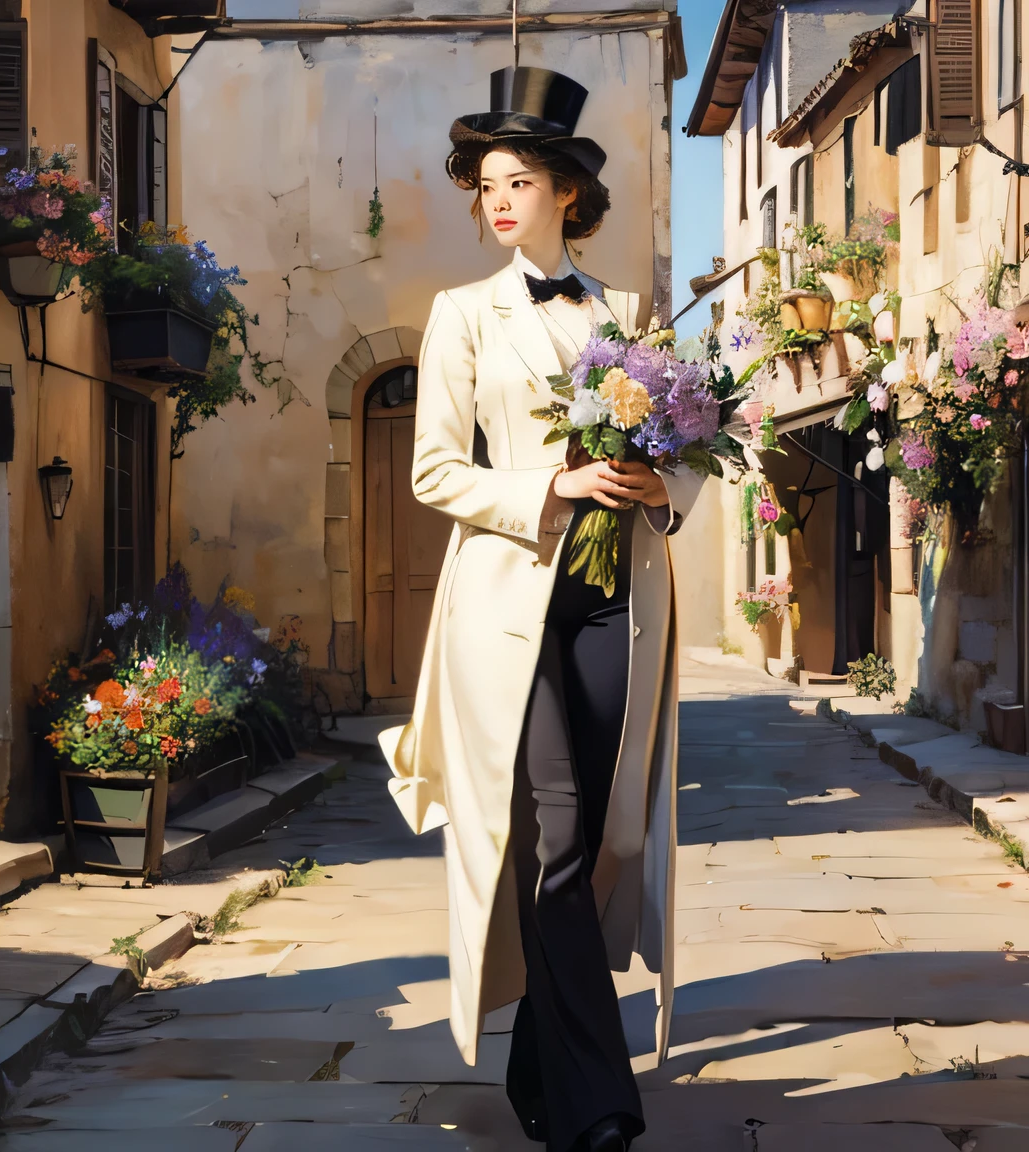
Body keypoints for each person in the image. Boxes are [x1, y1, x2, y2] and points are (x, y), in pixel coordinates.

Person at [379, 65, 702, 1152]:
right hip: (508, 611)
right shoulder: (461, 315)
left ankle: (539, 1065)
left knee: (607, 837)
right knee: (555, 837)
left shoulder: (627, 312)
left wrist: (667, 487)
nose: (497, 199)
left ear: (568, 191)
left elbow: (685, 451)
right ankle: (599, 1102)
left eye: (518, 180)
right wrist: (548, 487)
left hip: (621, 604)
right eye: (486, 183)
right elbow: (432, 473)